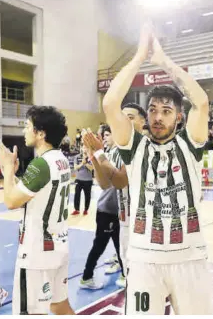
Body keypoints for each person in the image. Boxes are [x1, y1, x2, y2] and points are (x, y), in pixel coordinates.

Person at [103, 24, 213, 314]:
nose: (157, 117)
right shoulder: (135, 146)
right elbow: (110, 102)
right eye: (152, 109)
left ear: (179, 117)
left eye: (166, 111)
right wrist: (139, 56)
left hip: (190, 257)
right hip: (143, 259)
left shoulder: (190, 144)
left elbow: (201, 102)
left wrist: (164, 62)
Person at [0, 106, 74, 315]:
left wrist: (7, 170)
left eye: (27, 126)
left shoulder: (41, 164)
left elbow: (12, 202)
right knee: (60, 306)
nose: (24, 131)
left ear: (41, 133)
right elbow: (35, 192)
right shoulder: (61, 159)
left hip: (37, 253)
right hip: (59, 245)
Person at [82, 103, 147, 288]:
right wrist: (94, 156)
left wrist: (100, 153)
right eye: (122, 117)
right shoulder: (118, 150)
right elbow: (105, 183)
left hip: (145, 224)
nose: (125, 121)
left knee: (145, 281)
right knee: (132, 280)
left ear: (143, 122)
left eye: (131, 117)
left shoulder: (143, 147)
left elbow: (119, 181)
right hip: (125, 220)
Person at [79, 125, 125, 290]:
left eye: (108, 134)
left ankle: (121, 269)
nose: (105, 137)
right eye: (104, 135)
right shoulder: (109, 154)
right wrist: (92, 156)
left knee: (120, 244)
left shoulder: (115, 153)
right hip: (108, 208)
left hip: (115, 208)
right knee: (102, 245)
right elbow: (105, 180)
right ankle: (87, 276)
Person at [71, 146, 93, 216]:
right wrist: (82, 163)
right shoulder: (77, 157)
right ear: (81, 148)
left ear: (88, 149)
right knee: (77, 194)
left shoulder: (91, 157)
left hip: (88, 180)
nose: (85, 149)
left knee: (87, 195)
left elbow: (91, 168)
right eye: (83, 147)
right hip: (78, 180)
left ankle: (86, 209)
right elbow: (75, 167)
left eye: (86, 147)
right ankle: (77, 209)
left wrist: (86, 162)